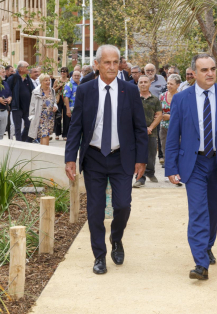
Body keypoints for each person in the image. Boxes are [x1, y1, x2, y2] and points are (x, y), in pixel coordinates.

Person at [65, 44, 148, 275]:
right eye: (107, 63)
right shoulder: (85, 90)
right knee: (95, 209)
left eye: (116, 62)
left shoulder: (130, 90)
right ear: (97, 65)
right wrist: (70, 157)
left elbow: (140, 128)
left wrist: (141, 159)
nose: (112, 67)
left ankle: (117, 238)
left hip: (122, 157)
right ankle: (99, 255)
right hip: (93, 158)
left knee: (122, 205)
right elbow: (76, 127)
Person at [165, 53, 217, 281]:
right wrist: (171, 167)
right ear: (193, 73)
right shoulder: (181, 99)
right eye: (204, 70)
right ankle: (200, 263)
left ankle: (208, 245)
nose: (210, 73)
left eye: (213, 69)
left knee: (212, 210)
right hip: (194, 164)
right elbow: (173, 137)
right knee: (198, 211)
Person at [133, 75, 162, 188]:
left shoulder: (155, 99)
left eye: (146, 82)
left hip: (151, 132)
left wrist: (150, 128)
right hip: (137, 133)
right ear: (138, 84)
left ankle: (150, 172)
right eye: (141, 82)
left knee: (151, 155)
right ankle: (140, 178)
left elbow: (159, 115)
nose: (143, 84)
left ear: (150, 84)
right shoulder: (134, 98)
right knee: (139, 156)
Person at [7, 61, 34, 142]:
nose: (29, 68)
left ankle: (21, 141)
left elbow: (32, 90)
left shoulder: (28, 78)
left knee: (29, 125)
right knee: (17, 127)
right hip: (17, 107)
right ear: (20, 69)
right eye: (27, 67)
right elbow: (8, 91)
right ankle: (19, 143)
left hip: (27, 107)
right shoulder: (13, 78)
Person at [28, 73, 58, 145]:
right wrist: (32, 117)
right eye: (46, 80)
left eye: (49, 80)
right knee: (44, 134)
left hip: (50, 117)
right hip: (41, 118)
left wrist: (55, 106)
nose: (48, 82)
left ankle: (42, 153)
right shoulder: (36, 92)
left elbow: (54, 101)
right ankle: (45, 152)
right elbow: (32, 105)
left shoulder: (52, 91)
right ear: (41, 82)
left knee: (46, 135)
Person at [159, 74, 181, 166]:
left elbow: (184, 115)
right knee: (165, 149)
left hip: (177, 129)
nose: (169, 86)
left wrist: (170, 117)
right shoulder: (162, 96)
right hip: (164, 127)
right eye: (168, 83)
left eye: (171, 84)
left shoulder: (181, 97)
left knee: (177, 149)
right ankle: (169, 169)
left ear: (178, 85)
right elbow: (158, 111)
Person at [54, 67, 70, 140]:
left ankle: (65, 134)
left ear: (67, 73)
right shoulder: (57, 81)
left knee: (66, 117)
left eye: (64, 71)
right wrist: (58, 87)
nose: (63, 72)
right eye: (61, 71)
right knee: (58, 116)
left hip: (66, 100)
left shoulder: (69, 81)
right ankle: (57, 133)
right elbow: (53, 90)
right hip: (59, 99)